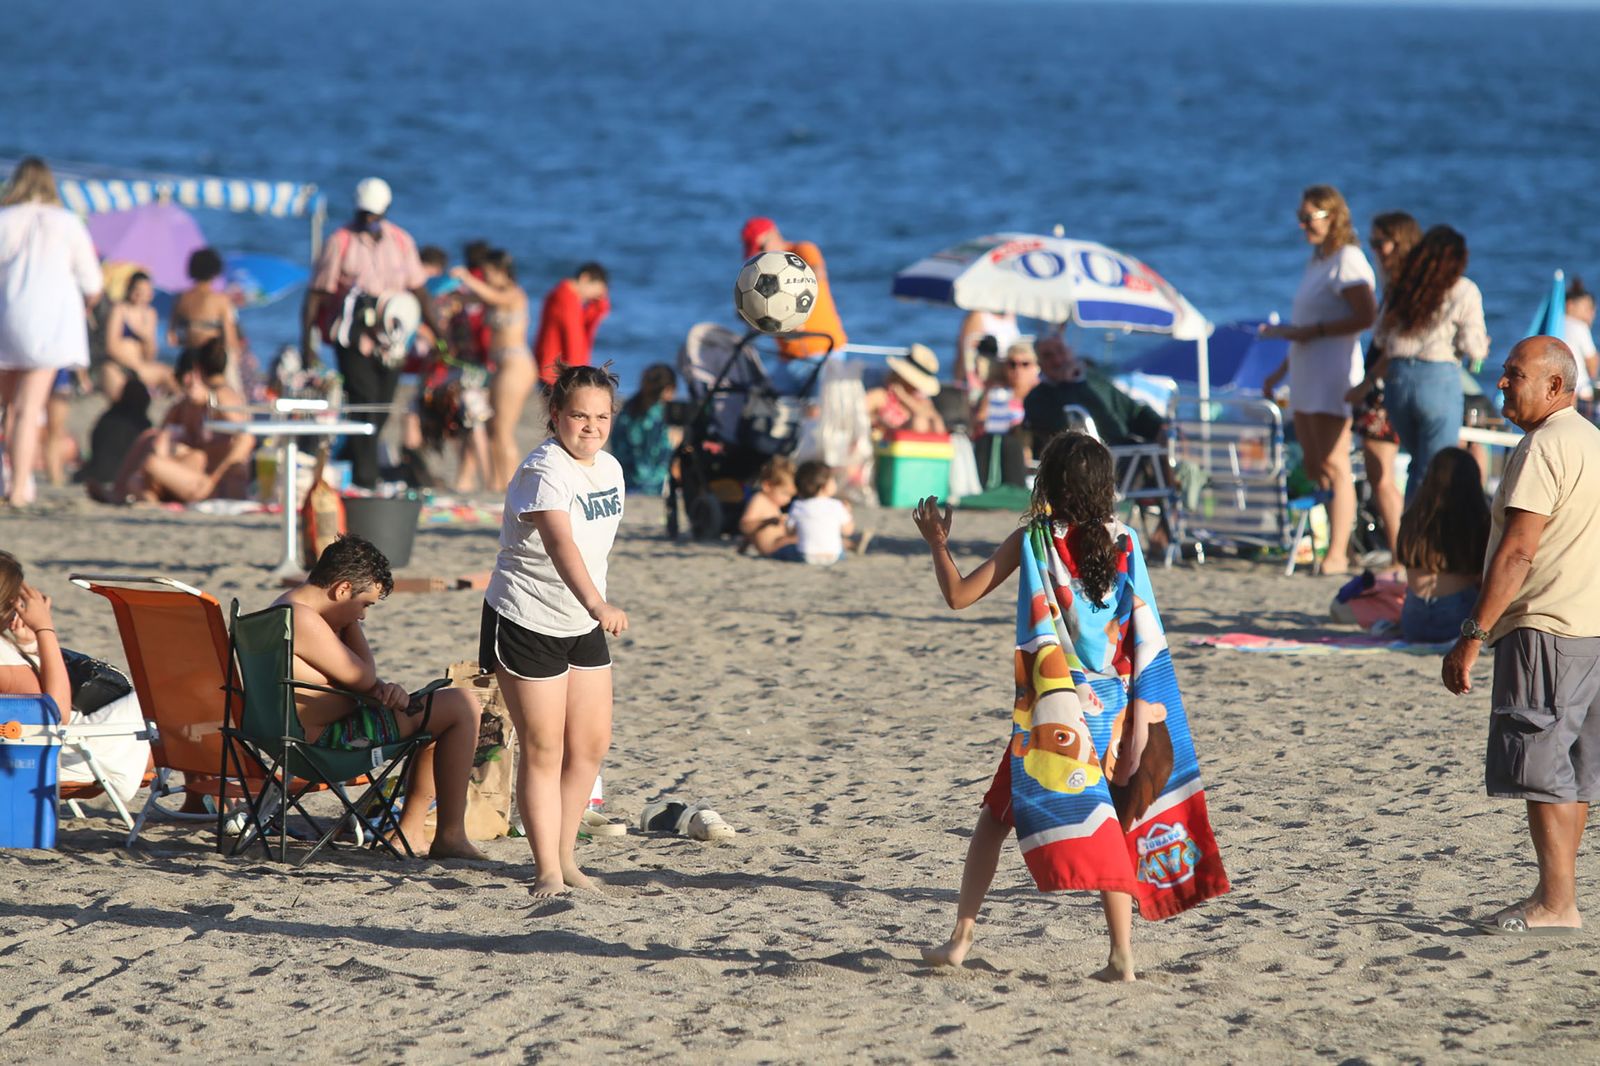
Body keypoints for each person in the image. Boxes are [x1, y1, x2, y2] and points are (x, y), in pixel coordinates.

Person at [911, 432, 1229, 979]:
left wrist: (938, 542)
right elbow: (1144, 633)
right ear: (1105, 486)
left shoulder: (1034, 539)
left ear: (1050, 484)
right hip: (1114, 710)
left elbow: (959, 595)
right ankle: (1121, 956)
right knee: (1115, 822)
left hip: (1056, 710)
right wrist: (1142, 717)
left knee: (993, 820)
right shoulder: (1126, 541)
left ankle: (960, 941)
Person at [1443, 336, 1600, 934]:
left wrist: (1471, 634)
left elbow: (1517, 552)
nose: (1502, 383)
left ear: (1555, 386)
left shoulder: (1545, 446)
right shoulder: (1591, 440)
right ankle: (1559, 895)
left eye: (1514, 374)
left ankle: (1557, 902)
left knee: (1542, 767)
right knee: (1575, 771)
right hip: (1591, 628)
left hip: (1547, 628)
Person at [480, 364, 627, 896]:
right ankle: (545, 869)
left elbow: (593, 546)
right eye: (579, 416)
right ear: (555, 416)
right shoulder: (545, 471)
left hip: (580, 620)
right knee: (545, 748)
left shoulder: (609, 469)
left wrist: (591, 607)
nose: (591, 426)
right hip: (528, 617)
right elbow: (561, 544)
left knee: (589, 744)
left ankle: (567, 859)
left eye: (601, 416)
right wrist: (597, 602)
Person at [273, 535, 485, 860]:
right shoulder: (302, 618)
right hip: (328, 744)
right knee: (462, 705)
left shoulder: (280, 610)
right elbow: (363, 676)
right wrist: (350, 628)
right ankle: (448, 835)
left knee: (433, 711)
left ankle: (414, 832)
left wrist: (379, 690)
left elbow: (346, 680)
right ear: (342, 590)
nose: (363, 616)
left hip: (292, 735)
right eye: (364, 604)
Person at [1260, 184, 1378, 576]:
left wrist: (1314, 332)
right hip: (1307, 372)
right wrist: (1280, 371)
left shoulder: (1348, 259)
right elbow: (1304, 327)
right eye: (1301, 218)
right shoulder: (1319, 259)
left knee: (1335, 461)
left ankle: (1338, 554)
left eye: (1308, 218)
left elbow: (1367, 316)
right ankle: (1336, 540)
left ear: (1332, 217)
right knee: (1314, 465)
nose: (1303, 225)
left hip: (1333, 373)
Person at [300, 177, 444, 490]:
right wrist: (307, 345)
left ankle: (354, 460)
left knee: (381, 406)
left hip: (391, 342)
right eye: (365, 214)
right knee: (363, 401)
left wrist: (439, 334)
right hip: (352, 339)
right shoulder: (340, 241)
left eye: (375, 215)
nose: (369, 221)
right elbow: (315, 295)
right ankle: (367, 478)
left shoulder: (402, 242)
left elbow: (419, 291)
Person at [1352, 225, 1490, 501]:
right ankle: (1424, 540)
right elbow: (1471, 346)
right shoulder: (1463, 289)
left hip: (1399, 380)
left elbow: (1380, 337)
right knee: (1436, 469)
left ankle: (1408, 538)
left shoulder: (1403, 287)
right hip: (1438, 379)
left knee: (1418, 465)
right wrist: (1483, 346)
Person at [0, 551, 149, 805]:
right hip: (71, 750)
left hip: (43, 743)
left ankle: (202, 798)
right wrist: (45, 630)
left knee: (173, 703)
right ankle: (209, 797)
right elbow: (55, 714)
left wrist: (29, 645)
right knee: (179, 695)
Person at [0, 157, 103, 507]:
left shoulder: (5, 219)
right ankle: (18, 488)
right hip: (48, 326)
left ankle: (13, 477)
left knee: (7, 408)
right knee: (29, 409)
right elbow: (93, 284)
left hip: (6, 318)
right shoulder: (68, 223)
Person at [1337, 447, 1490, 641]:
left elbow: (1404, 561)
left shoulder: (1413, 518)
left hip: (1413, 619)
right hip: (1457, 619)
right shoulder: (1477, 520)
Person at [1351, 212, 1422, 567]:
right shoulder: (1403, 285)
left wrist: (1365, 383)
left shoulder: (1404, 287)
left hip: (1383, 388)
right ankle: (1400, 552)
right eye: (1373, 243)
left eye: (1382, 243)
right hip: (1385, 384)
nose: (1376, 250)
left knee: (1381, 477)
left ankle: (1399, 554)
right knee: (1383, 477)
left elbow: (1394, 347)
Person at [110, 339, 253, 503]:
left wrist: (216, 477)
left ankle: (128, 495)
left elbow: (246, 438)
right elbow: (161, 437)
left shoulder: (219, 398)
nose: (189, 381)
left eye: (193, 374)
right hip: (194, 476)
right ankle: (135, 496)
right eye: (186, 375)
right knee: (142, 464)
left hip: (213, 484)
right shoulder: (184, 406)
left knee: (156, 463)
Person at [451, 249, 532, 489]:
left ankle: (513, 485)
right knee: (494, 428)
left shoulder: (514, 294)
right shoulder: (492, 294)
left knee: (503, 430)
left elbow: (492, 298)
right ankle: (498, 483)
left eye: (488, 273)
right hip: (501, 365)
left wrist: (467, 278)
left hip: (516, 363)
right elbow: (473, 299)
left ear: (501, 272)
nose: (484, 277)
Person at [741, 217, 846, 392]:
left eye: (761, 247)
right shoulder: (762, 274)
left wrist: (789, 305)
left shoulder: (801, 250)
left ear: (773, 235)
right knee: (772, 409)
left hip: (823, 352)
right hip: (788, 359)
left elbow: (817, 273)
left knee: (819, 411)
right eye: (755, 251)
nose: (759, 254)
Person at [1023, 337, 1165, 450]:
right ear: (1040, 363)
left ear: (1070, 352)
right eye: (1048, 356)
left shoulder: (1095, 381)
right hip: (1085, 464)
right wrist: (1065, 383)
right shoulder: (1037, 399)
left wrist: (1159, 426)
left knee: (1182, 468)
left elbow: (1133, 412)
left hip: (1126, 454)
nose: (1057, 360)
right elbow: (1060, 428)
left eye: (1060, 351)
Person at [533, 263, 610, 389]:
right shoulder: (567, 300)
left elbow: (583, 326)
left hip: (550, 367)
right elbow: (574, 341)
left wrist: (599, 307)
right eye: (595, 293)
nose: (593, 298)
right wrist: (580, 376)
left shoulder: (560, 295)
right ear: (585, 278)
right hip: (557, 372)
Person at [102, 271, 172, 405]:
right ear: (130, 289)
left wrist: (146, 338)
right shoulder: (120, 309)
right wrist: (134, 365)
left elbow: (150, 355)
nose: (140, 295)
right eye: (137, 290)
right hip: (118, 366)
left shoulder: (150, 314)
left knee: (170, 376)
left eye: (145, 291)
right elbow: (111, 347)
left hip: (140, 367)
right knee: (120, 399)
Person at [611, 363, 678, 496]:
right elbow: (662, 454)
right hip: (652, 484)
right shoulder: (658, 414)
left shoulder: (629, 408)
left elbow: (616, 444)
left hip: (625, 478)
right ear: (667, 390)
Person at [168, 247, 240, 367]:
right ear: (215, 271)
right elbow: (230, 340)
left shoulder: (181, 298)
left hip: (189, 356)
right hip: (212, 358)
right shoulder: (222, 300)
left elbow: (172, 336)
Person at [784, 460, 858, 564]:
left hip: (806, 555)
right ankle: (847, 546)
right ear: (824, 487)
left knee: (787, 549)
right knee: (840, 547)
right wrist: (848, 513)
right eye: (832, 480)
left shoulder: (798, 506)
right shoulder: (837, 505)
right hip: (834, 555)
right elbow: (848, 531)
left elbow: (789, 531)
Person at [866, 343, 945, 436]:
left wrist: (904, 397)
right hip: (889, 442)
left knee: (928, 421)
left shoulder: (921, 399)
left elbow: (937, 423)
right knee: (919, 422)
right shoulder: (881, 395)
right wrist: (878, 421)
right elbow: (858, 412)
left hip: (916, 445)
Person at [738, 455, 798, 557]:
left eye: (791, 496)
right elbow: (745, 526)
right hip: (772, 548)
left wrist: (743, 548)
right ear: (768, 486)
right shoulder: (760, 500)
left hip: (778, 544)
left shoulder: (773, 504)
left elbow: (750, 534)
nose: (788, 499)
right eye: (785, 493)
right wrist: (768, 521)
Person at [955, 309, 1021, 395]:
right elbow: (965, 357)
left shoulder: (1010, 314)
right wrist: (959, 385)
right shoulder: (978, 315)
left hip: (1007, 380)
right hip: (983, 382)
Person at [1562, 278, 1598, 415]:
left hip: (1561, 392)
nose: (1591, 314)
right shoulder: (1579, 326)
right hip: (1580, 393)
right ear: (1570, 305)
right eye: (1587, 308)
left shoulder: (1555, 325)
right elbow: (1591, 360)